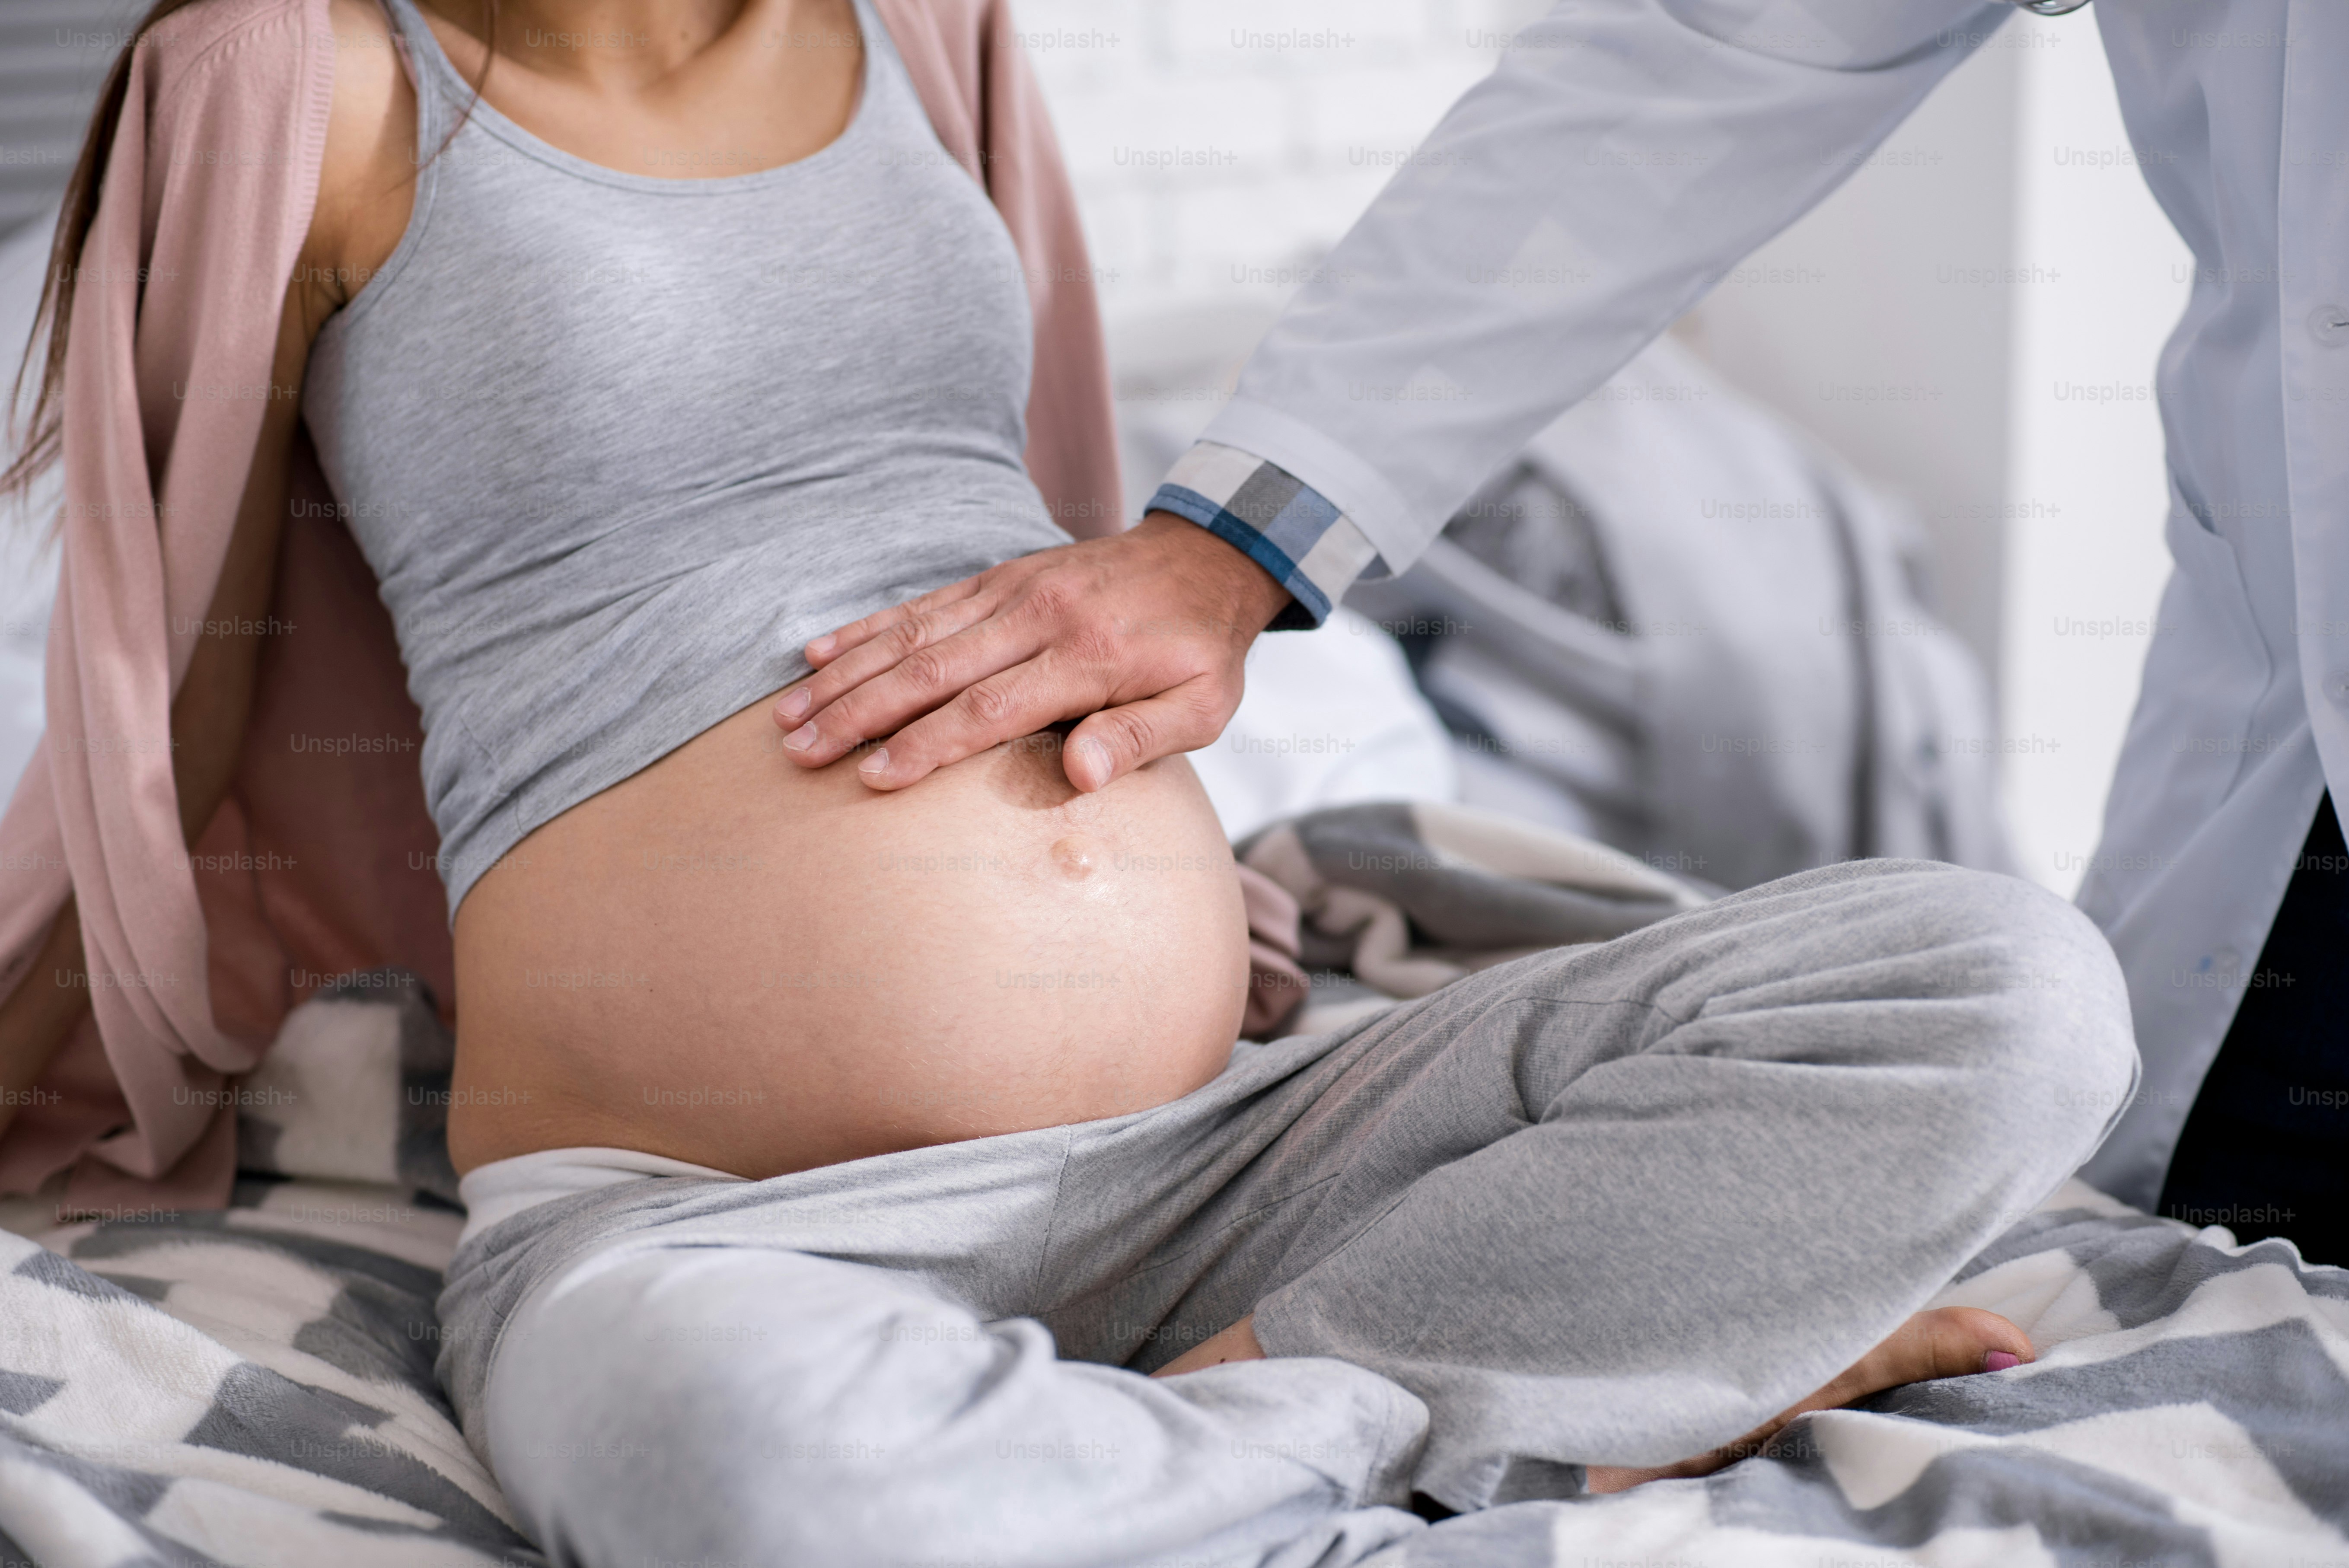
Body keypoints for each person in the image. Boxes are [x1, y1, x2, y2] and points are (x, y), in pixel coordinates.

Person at [0, 0, 2136, 1561]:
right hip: (721, 1231)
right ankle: (1491, 1404)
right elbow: (166, 658)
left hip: (1237, 1155)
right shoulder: (285, 73)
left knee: (2007, 984)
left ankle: (1238, 1419)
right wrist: (55, 1025)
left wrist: (1173, 857)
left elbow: (1067, 520)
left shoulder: (919, 22)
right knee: (728, 1460)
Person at [780, 0, 2349, 1267]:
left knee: (2017, 1010)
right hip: (2288, 826)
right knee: (2185, 1240)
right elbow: (1694, 63)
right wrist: (1230, 538)